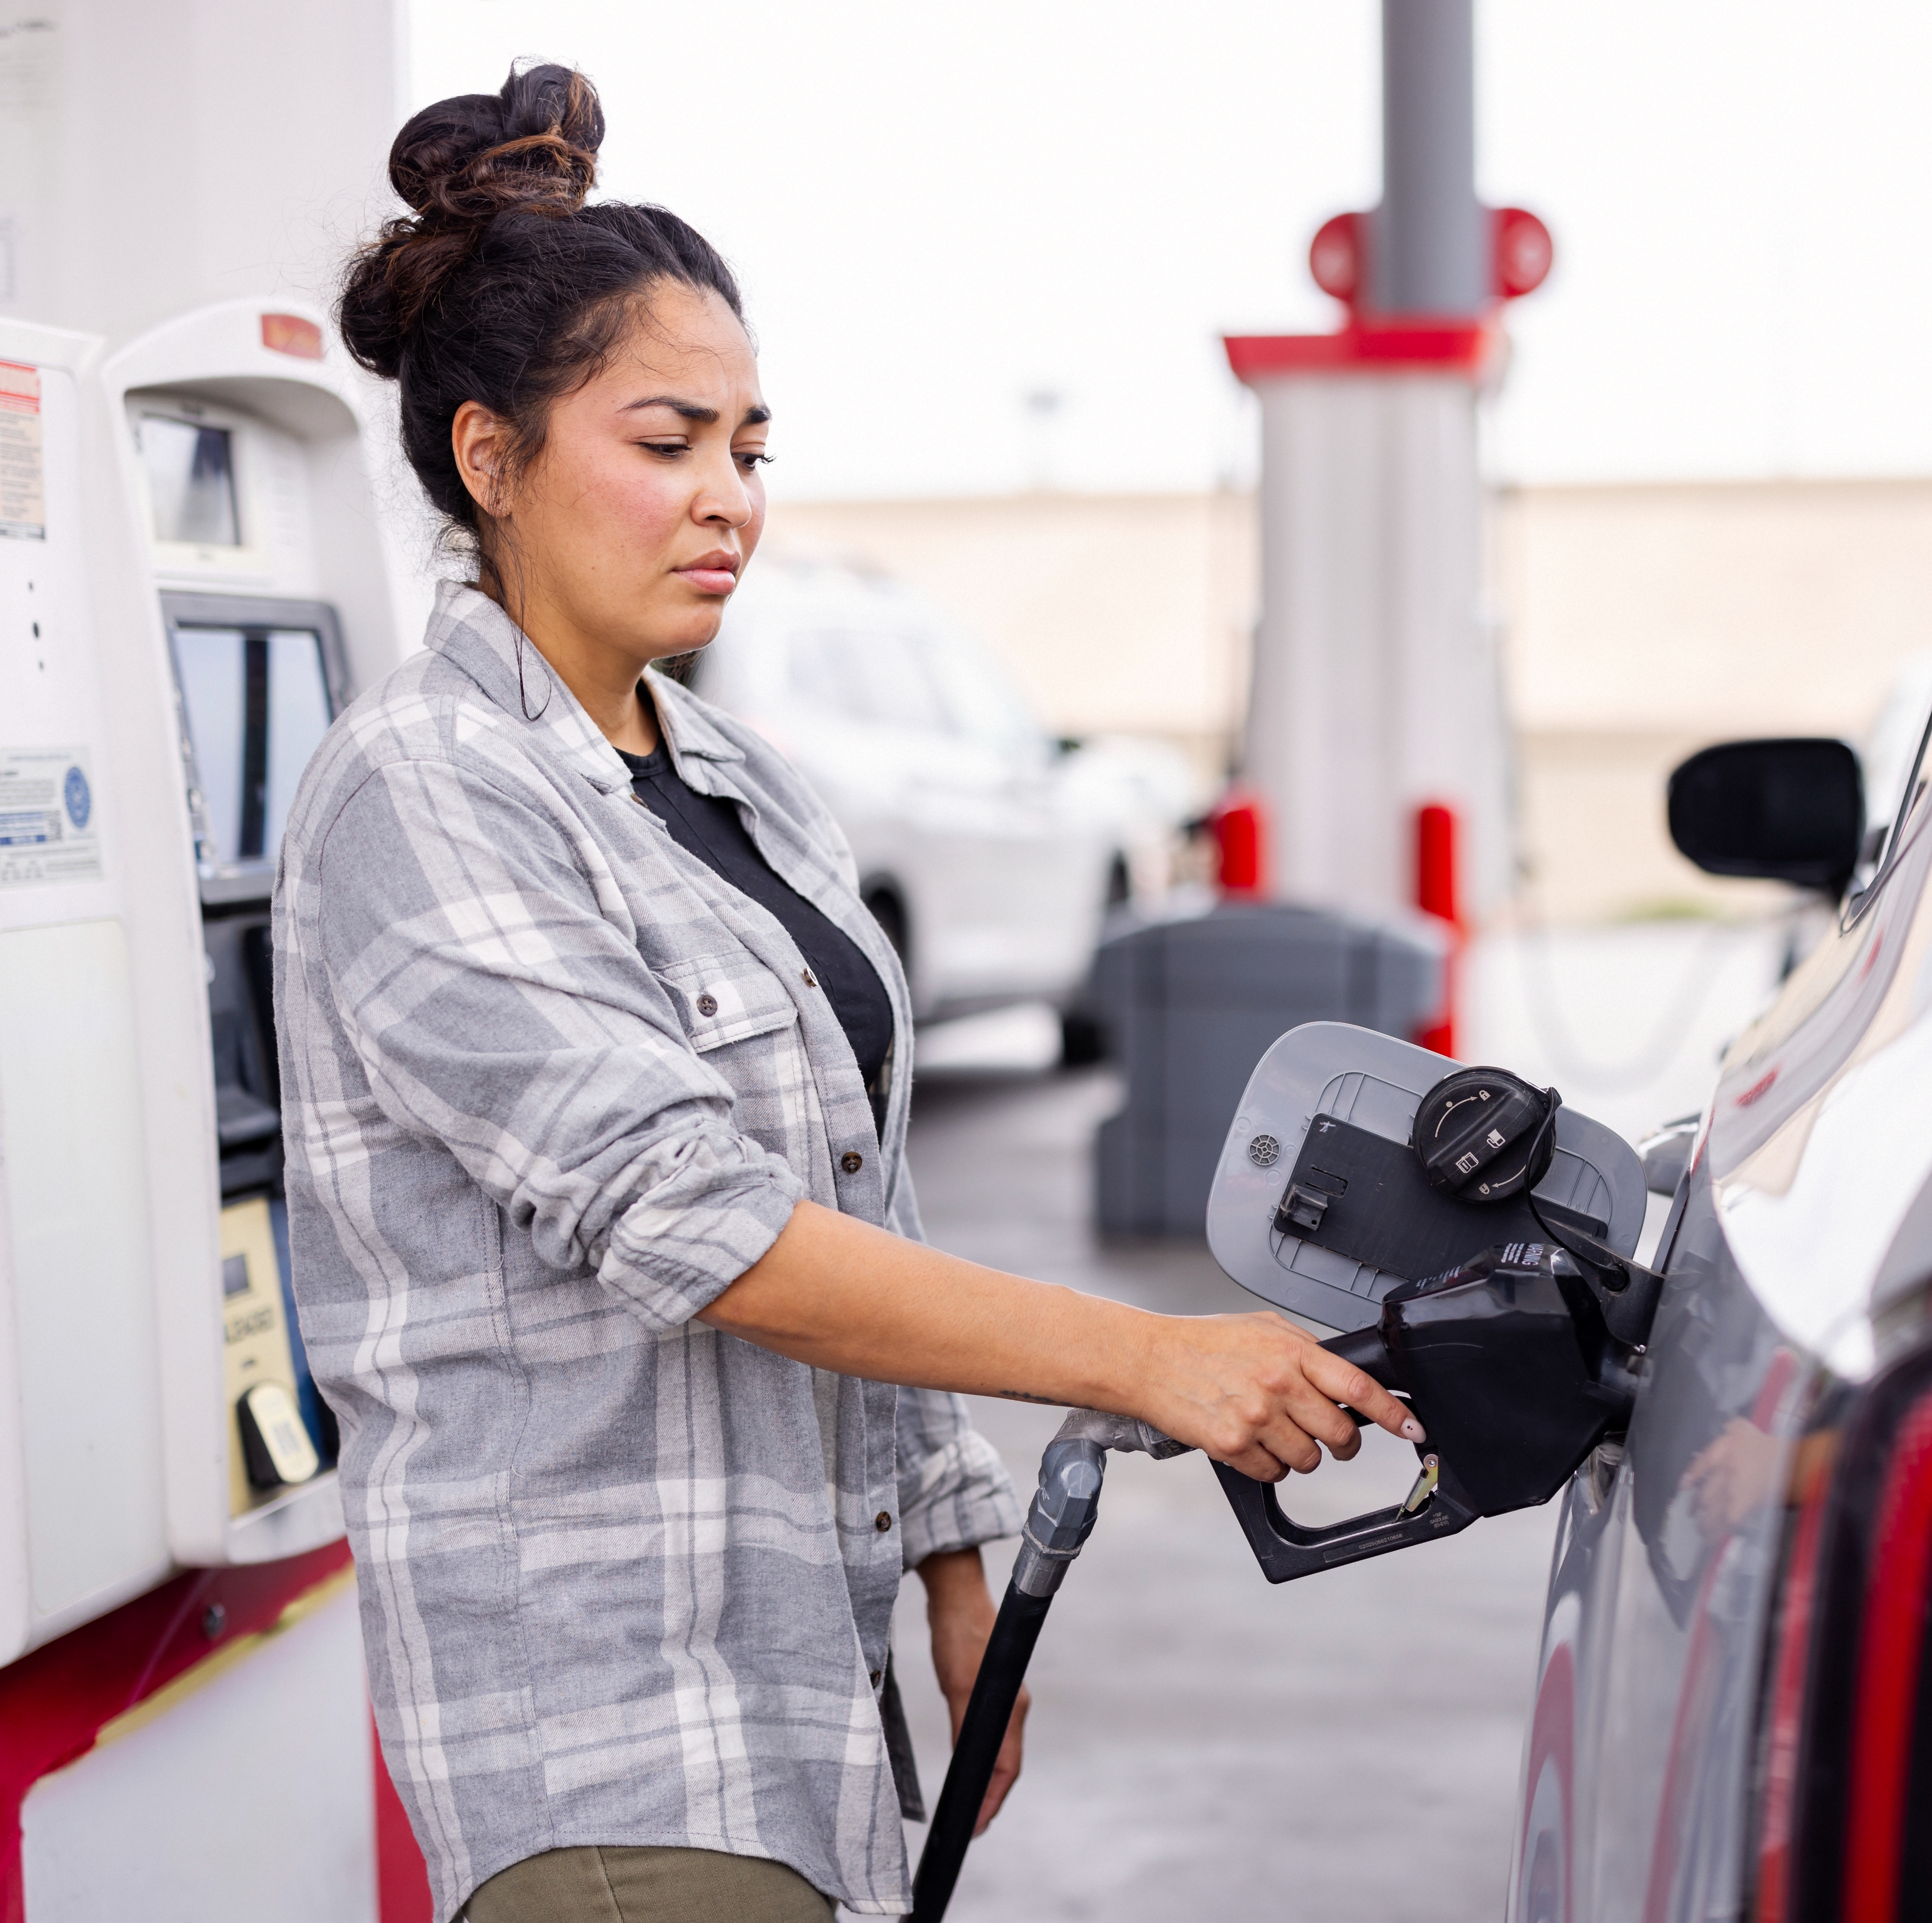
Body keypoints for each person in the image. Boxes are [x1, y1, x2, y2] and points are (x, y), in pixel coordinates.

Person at [278, 64, 1418, 1923]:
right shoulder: (420, 790)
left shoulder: (742, 786)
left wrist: (961, 1574)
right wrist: (1149, 1353)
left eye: (752, 448)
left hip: (810, 1688)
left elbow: (852, 1198)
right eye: (666, 443)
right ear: (487, 457)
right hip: (602, 1732)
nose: (728, 499)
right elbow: (707, 1231)